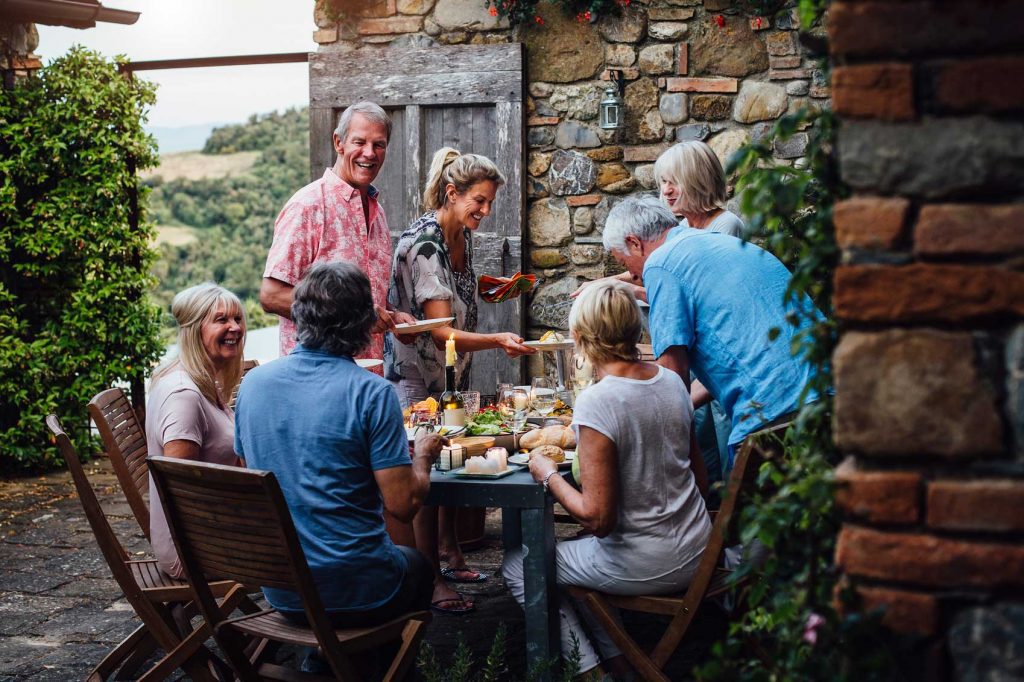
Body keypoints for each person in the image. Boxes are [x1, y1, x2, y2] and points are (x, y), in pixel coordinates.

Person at [502, 280, 711, 679]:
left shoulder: (599, 401)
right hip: (698, 548)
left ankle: (588, 672)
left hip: (647, 563)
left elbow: (598, 518)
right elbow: (700, 481)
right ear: (636, 330)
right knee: (576, 558)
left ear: (579, 339)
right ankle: (620, 662)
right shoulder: (671, 381)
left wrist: (547, 474)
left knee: (518, 565)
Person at [235, 261, 440, 631]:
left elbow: (246, 474)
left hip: (283, 590)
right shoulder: (372, 393)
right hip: (360, 590)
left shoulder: (252, 385)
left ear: (299, 314)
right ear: (364, 323)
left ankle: (328, 658)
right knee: (421, 566)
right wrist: (423, 456)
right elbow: (403, 507)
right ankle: (382, 660)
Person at [385, 146, 535, 614]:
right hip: (415, 377)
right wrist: (498, 340)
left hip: (448, 374)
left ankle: (450, 551)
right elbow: (443, 329)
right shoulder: (428, 245)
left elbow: (458, 299)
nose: (486, 212)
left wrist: (497, 288)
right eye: (480, 202)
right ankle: (430, 580)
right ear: (452, 193)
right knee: (428, 475)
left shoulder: (459, 239)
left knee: (449, 459)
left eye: (490, 203)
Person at [602, 195, 822, 466]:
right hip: (830, 388)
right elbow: (737, 353)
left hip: (775, 413)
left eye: (625, 264)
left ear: (635, 243)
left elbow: (672, 375)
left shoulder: (661, 262)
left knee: (746, 504)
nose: (634, 275)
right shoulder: (720, 242)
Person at [260, 101, 416, 365]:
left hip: (367, 378)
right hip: (315, 379)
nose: (370, 153)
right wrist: (359, 316)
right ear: (338, 143)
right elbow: (271, 295)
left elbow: (366, 301)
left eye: (379, 145)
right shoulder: (307, 206)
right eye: (360, 142)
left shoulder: (378, 213)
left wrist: (391, 317)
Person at [146, 282, 246, 579]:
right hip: (193, 551)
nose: (235, 328)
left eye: (238, 319)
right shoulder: (184, 396)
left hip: (210, 533)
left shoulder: (199, 381)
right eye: (221, 320)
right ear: (193, 329)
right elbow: (181, 492)